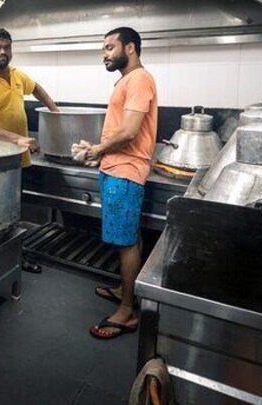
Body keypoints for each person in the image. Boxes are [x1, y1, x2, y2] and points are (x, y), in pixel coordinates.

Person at [0, 28, 60, 274]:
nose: (2, 52)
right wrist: (19, 139)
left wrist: (55, 112)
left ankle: (15, 256)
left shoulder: (17, 75)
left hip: (15, 159)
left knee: (13, 210)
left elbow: (37, 88)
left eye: (6, 47)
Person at [84, 26, 157, 340]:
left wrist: (97, 149)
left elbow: (128, 131)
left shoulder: (139, 79)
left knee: (125, 242)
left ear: (130, 48)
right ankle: (128, 290)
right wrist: (99, 153)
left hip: (125, 170)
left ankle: (127, 312)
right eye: (103, 48)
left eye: (110, 47)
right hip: (117, 167)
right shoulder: (128, 80)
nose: (105, 54)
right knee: (131, 235)